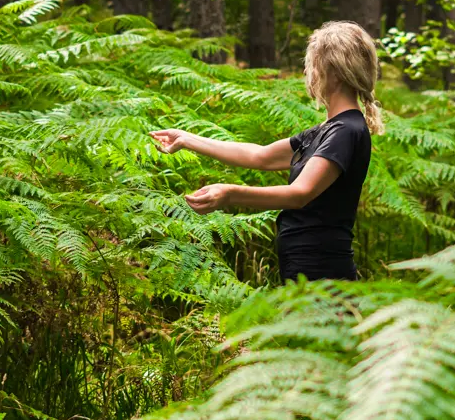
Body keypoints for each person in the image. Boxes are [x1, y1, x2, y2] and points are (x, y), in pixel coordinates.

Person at [150, 21, 383, 283]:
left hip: (322, 269)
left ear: (334, 71)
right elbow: (260, 156)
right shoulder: (329, 129)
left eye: (313, 63)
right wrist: (187, 138)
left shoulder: (346, 131)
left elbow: (299, 194)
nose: (308, 71)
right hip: (306, 265)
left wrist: (230, 194)